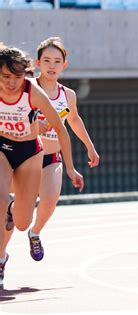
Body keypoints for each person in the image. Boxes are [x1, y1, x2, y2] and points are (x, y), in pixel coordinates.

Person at [0, 46, 84, 287]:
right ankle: (0, 258)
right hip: (2, 147)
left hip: (30, 152)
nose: (11, 83)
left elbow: (63, 127)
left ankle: (23, 218)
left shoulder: (35, 93)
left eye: (17, 77)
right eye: (5, 77)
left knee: (22, 222)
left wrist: (70, 167)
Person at [19, 37, 99, 262]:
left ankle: (35, 233)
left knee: (51, 197)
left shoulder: (68, 95)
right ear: (37, 63)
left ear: (65, 65)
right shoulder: (29, 88)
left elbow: (73, 120)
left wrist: (89, 146)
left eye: (57, 61)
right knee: (19, 204)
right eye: (46, 60)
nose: (51, 66)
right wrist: (35, 124)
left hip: (52, 156)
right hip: (26, 154)